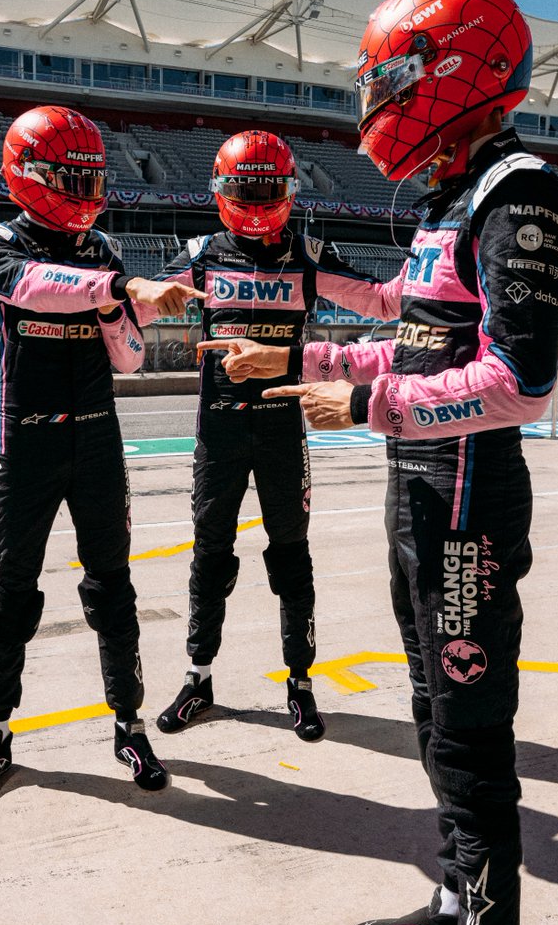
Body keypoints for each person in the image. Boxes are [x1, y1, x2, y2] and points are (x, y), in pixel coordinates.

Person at [206, 0, 558, 925]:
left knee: (468, 740)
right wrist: (294, 356)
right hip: (416, 491)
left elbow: (521, 381)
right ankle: (451, 907)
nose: (373, 96)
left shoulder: (521, 197)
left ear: (449, 67)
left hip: (463, 502)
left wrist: (363, 400)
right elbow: (414, 341)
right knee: (427, 717)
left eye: (388, 76)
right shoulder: (446, 198)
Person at [0, 104, 204, 807]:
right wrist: (117, 290)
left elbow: (127, 360)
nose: (85, 191)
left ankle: (129, 725)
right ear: (29, 173)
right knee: (12, 595)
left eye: (92, 177)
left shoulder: (101, 252)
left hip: (99, 438)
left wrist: (123, 312)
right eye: (73, 177)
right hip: (27, 441)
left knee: (112, 592)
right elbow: (30, 285)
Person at [141, 129, 404, 742]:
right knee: (211, 557)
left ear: (289, 191)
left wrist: (435, 261)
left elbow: (384, 303)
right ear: (222, 190)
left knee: (291, 557)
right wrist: (138, 289)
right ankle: (198, 677)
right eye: (245, 189)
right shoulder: (201, 253)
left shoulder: (307, 254)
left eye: (269, 190)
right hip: (219, 433)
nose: (258, 202)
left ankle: (301, 682)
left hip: (286, 429)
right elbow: (139, 303)